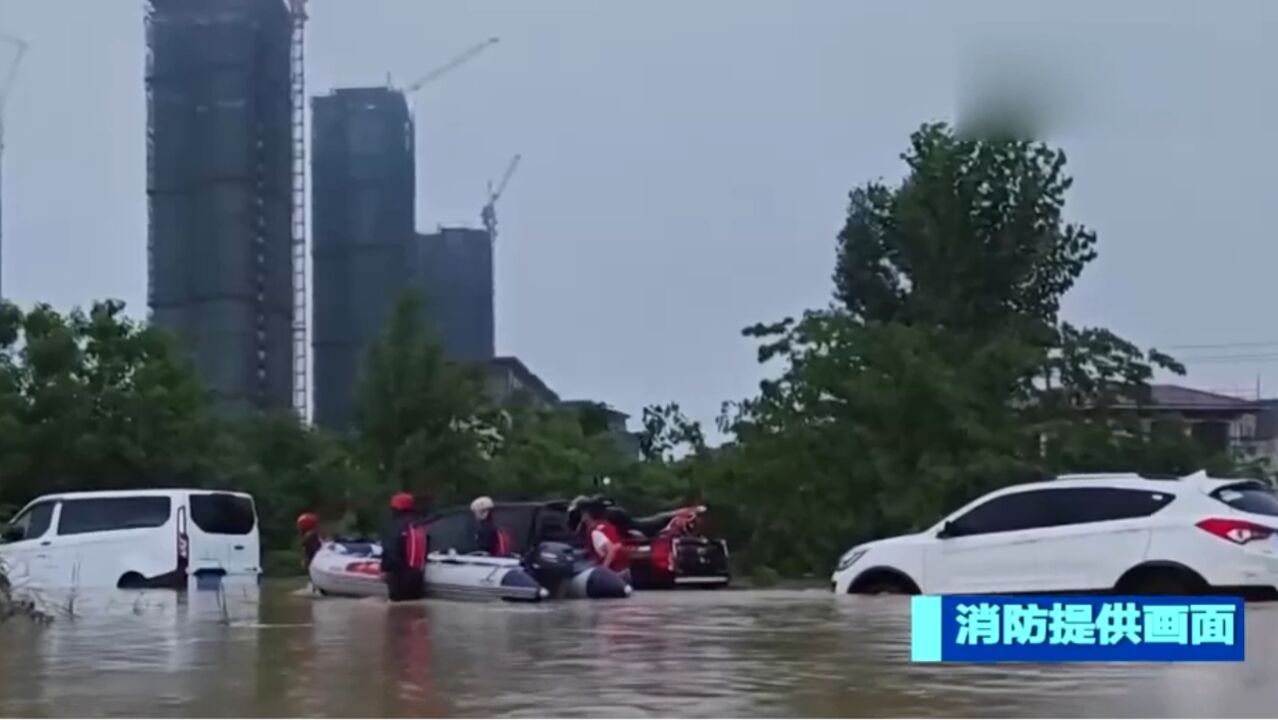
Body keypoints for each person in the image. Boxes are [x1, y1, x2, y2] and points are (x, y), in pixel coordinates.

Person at [381, 492, 428, 602]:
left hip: (399, 574)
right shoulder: (419, 524)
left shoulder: (396, 525)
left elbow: (390, 549)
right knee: (414, 609)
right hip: (418, 574)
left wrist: (385, 569)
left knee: (397, 612)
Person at [580, 499, 630, 578]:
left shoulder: (595, 532)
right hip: (623, 569)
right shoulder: (607, 526)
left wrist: (604, 570)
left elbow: (611, 551)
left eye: (583, 514)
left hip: (614, 572)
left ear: (588, 515)